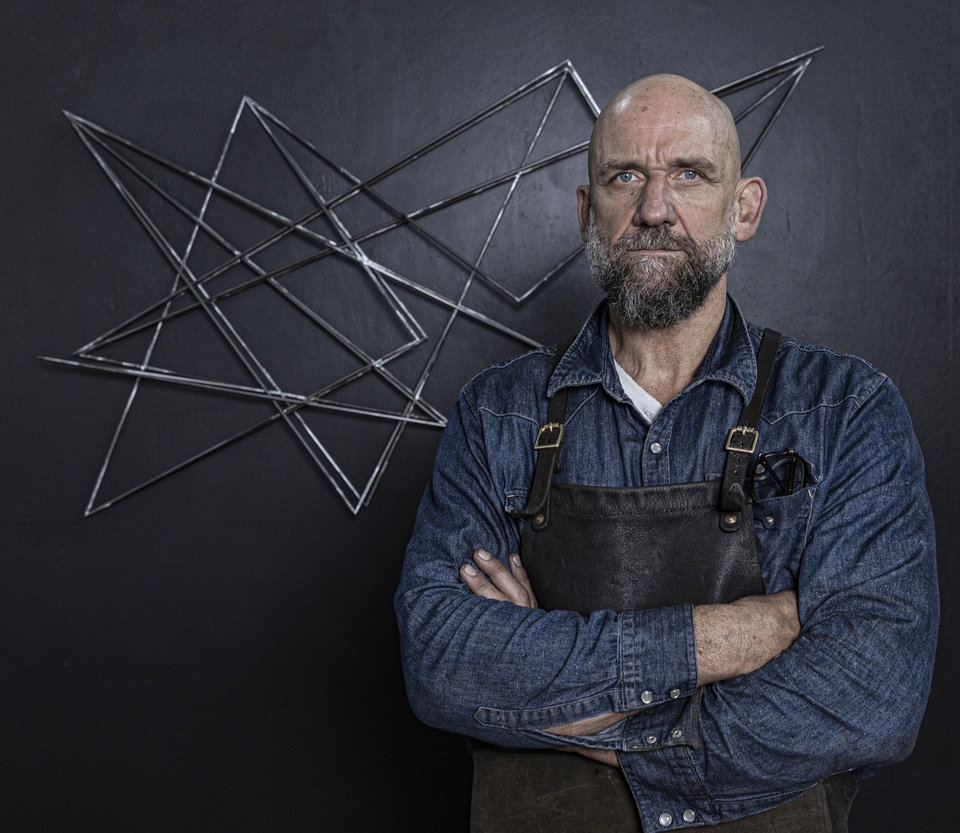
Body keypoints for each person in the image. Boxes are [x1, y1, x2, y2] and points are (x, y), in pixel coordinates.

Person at [395, 74, 938, 831]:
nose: (654, 208)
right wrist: (722, 638)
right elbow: (442, 660)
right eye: (626, 176)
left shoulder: (846, 411)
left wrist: (575, 709)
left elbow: (874, 693)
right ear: (589, 212)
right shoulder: (497, 413)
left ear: (743, 208)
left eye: (689, 173)